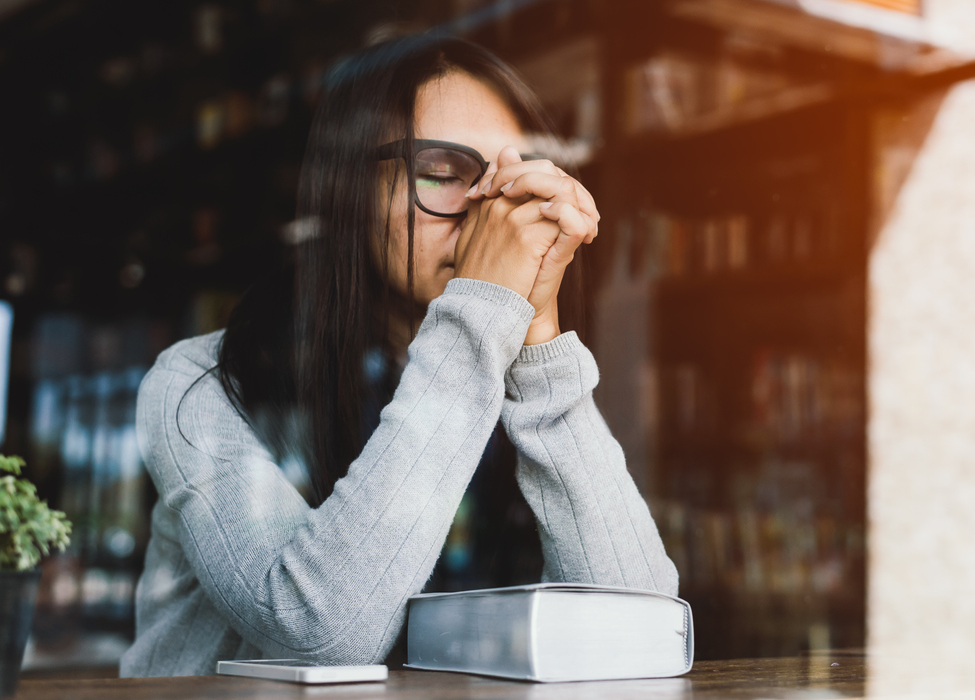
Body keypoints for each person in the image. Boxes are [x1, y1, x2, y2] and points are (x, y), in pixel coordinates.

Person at [120, 36, 678, 677]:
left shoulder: (501, 375)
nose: (491, 218)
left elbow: (644, 634)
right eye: (442, 173)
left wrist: (540, 349)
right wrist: (484, 308)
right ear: (349, 193)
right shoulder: (198, 386)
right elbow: (319, 635)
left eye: (514, 186)